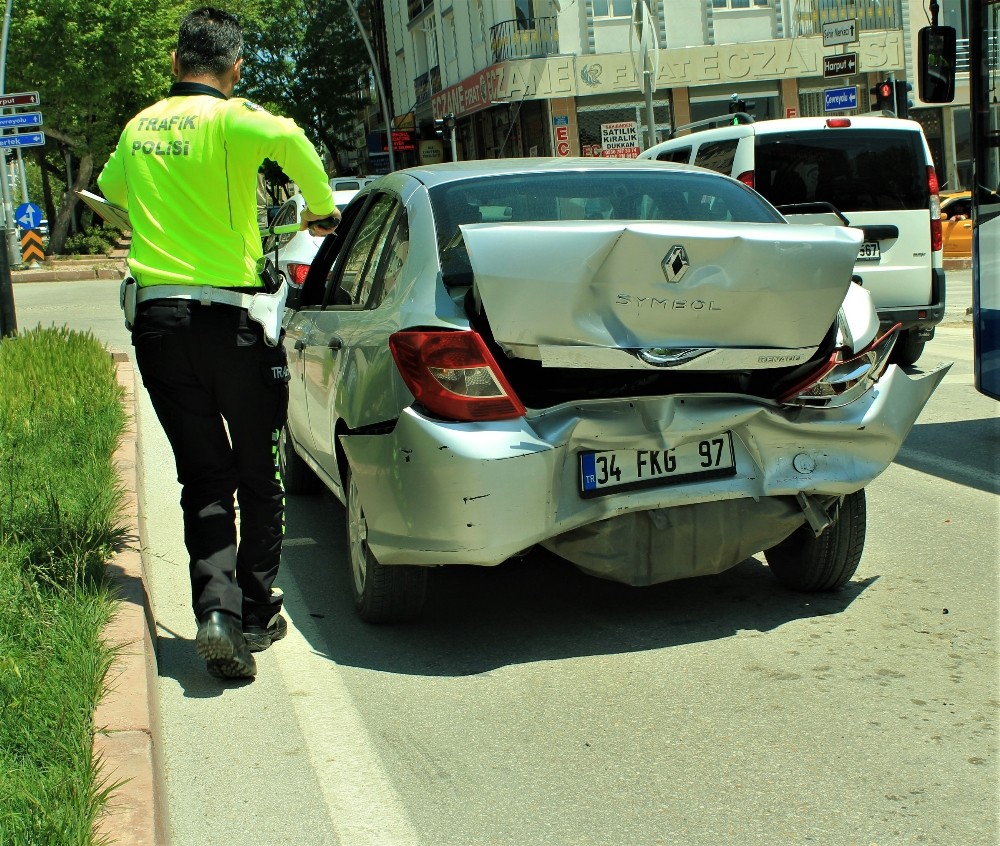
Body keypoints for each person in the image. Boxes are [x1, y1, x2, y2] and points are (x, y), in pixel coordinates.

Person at [98, 6, 339, 680]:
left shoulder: (139, 126)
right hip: (233, 325)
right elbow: (291, 139)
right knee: (260, 474)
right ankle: (257, 613)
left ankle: (215, 613)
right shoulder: (236, 118)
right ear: (234, 69)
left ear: (175, 64)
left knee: (204, 476)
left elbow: (113, 191)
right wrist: (320, 208)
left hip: (158, 326)